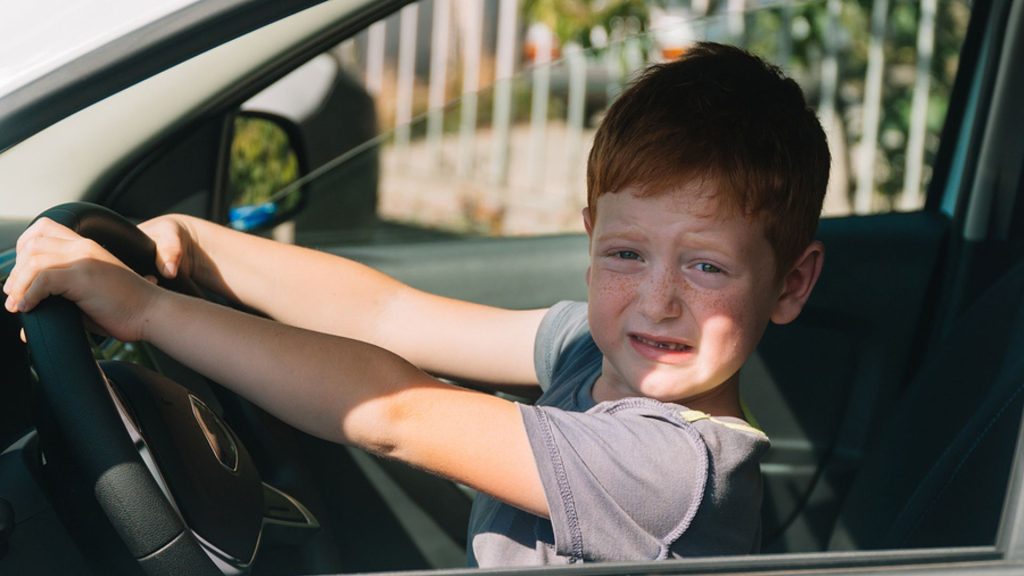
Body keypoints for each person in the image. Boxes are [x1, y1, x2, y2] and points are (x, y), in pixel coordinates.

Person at [3, 42, 829, 566]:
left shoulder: (680, 472)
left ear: (790, 285)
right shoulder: (596, 349)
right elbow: (390, 317)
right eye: (625, 253)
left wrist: (146, 313)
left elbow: (398, 411)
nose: (658, 300)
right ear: (588, 239)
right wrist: (197, 242)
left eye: (707, 268)